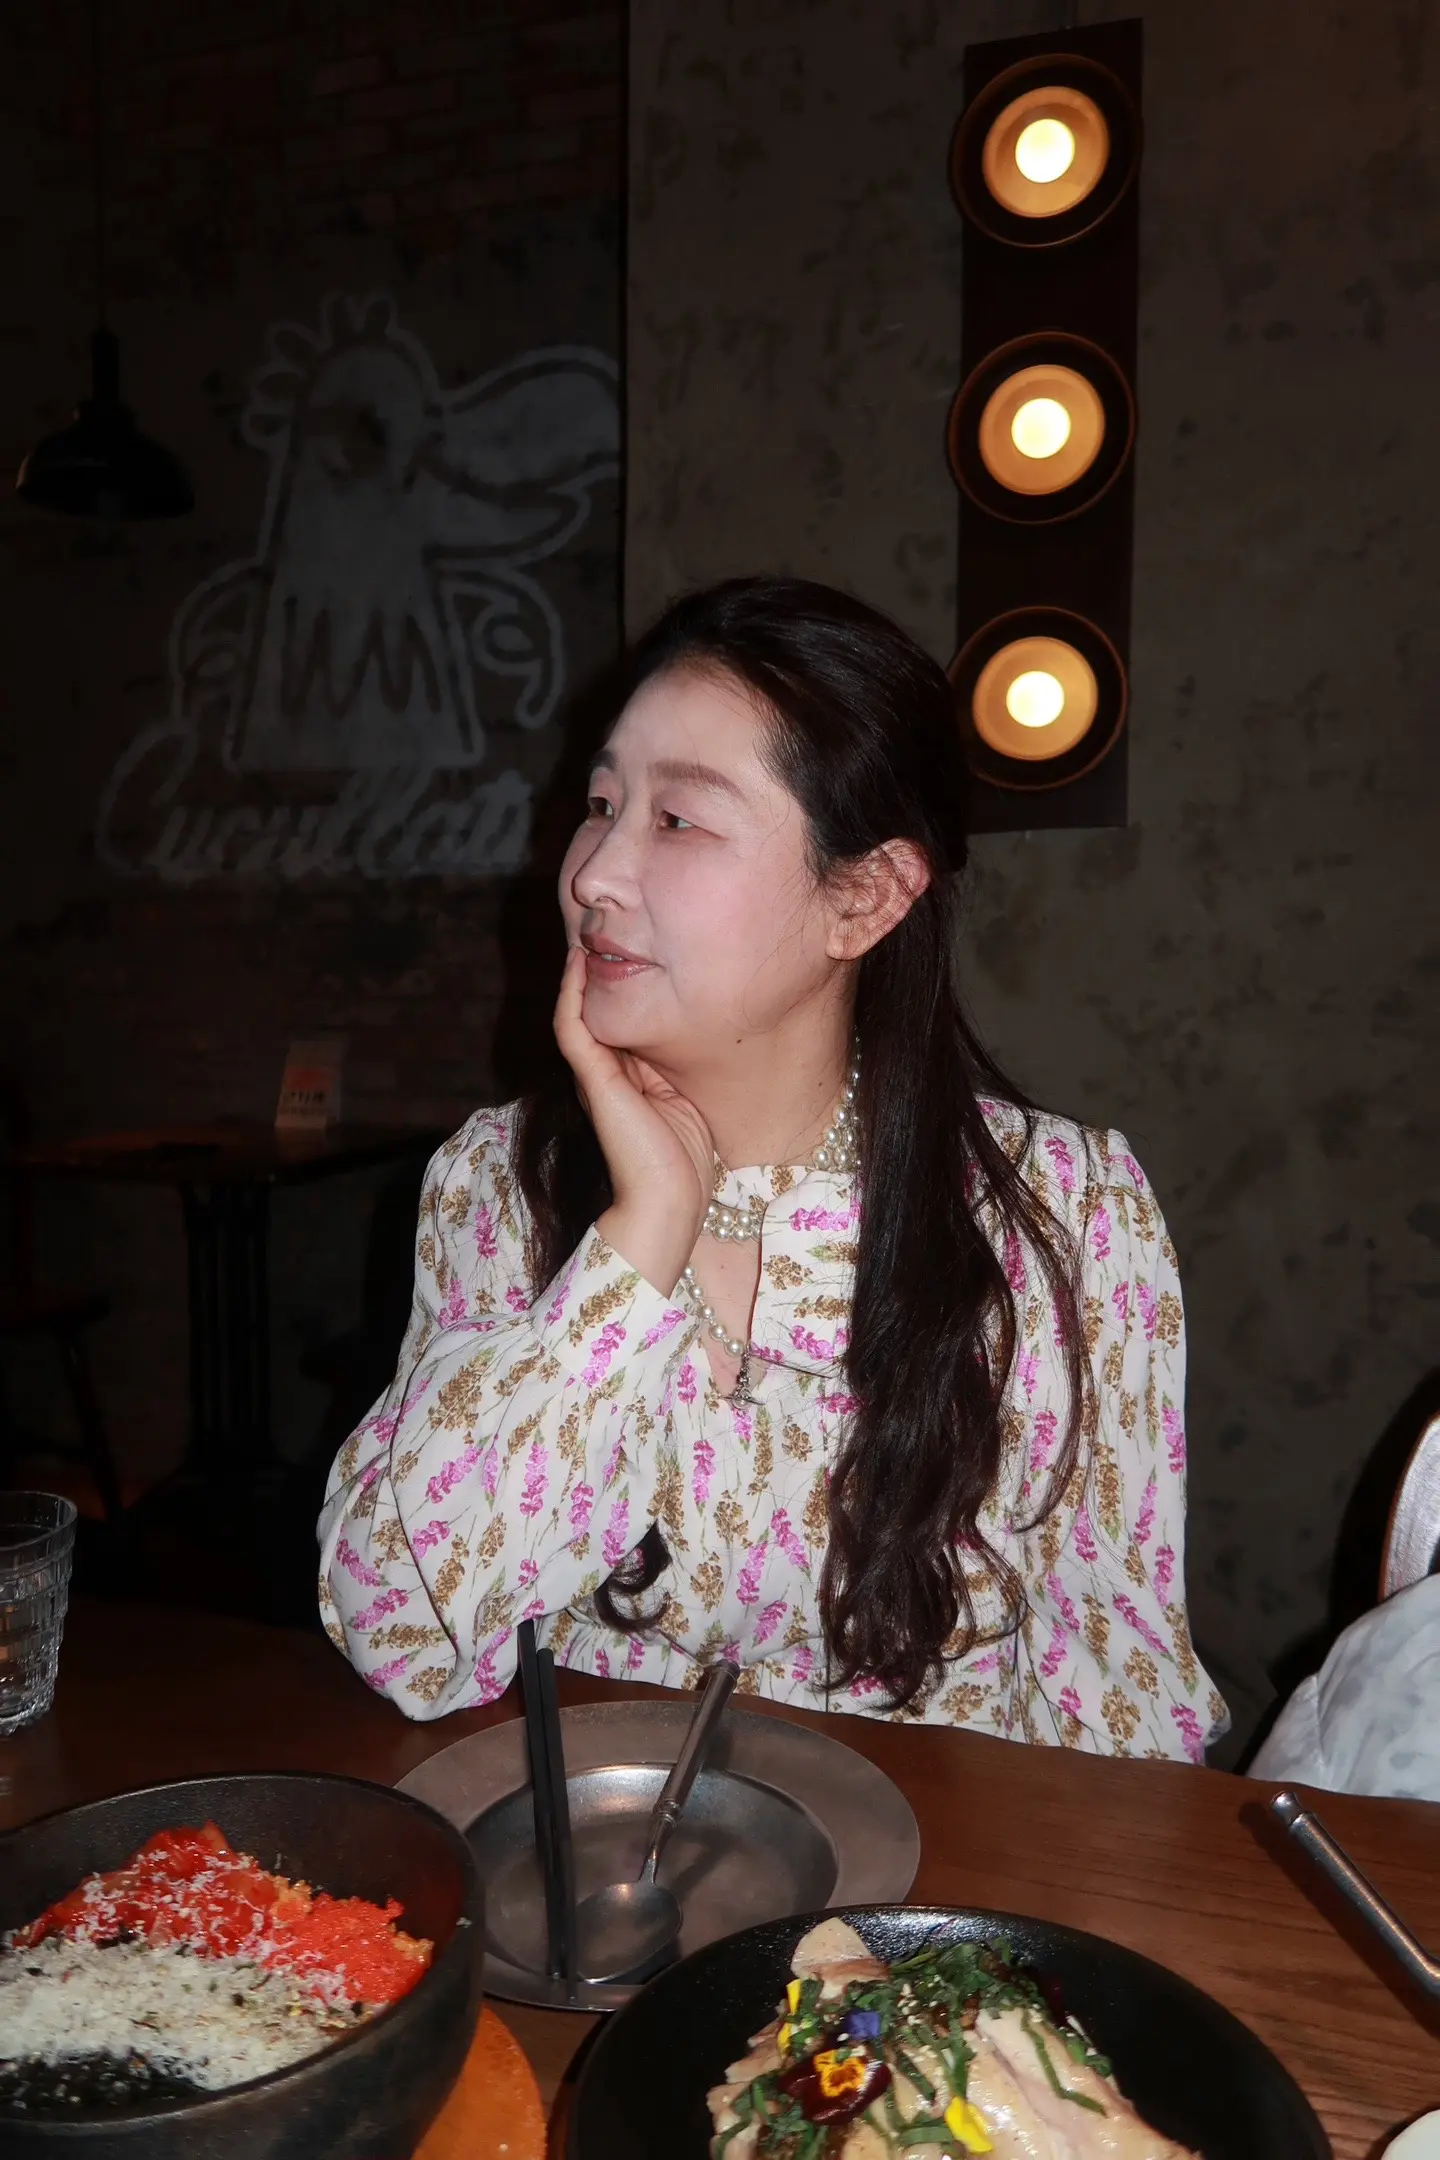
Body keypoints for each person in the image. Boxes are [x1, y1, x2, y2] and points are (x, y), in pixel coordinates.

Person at [319, 576, 1226, 1758]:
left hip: (937, 1860)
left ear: (866, 896)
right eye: (601, 803)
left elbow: (1122, 1707)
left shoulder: (1063, 1211)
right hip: (587, 1840)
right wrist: (638, 1239)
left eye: (677, 820)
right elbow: (399, 1632)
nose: (592, 873)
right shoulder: (498, 1181)